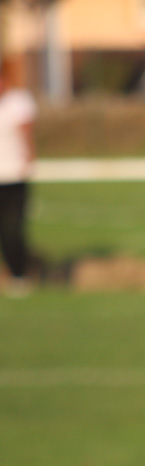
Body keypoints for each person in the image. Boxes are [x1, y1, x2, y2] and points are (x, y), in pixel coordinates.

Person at [0, 56, 36, 297]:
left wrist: (29, 159)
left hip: (13, 173)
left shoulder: (18, 101)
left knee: (13, 227)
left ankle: (19, 274)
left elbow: (27, 134)